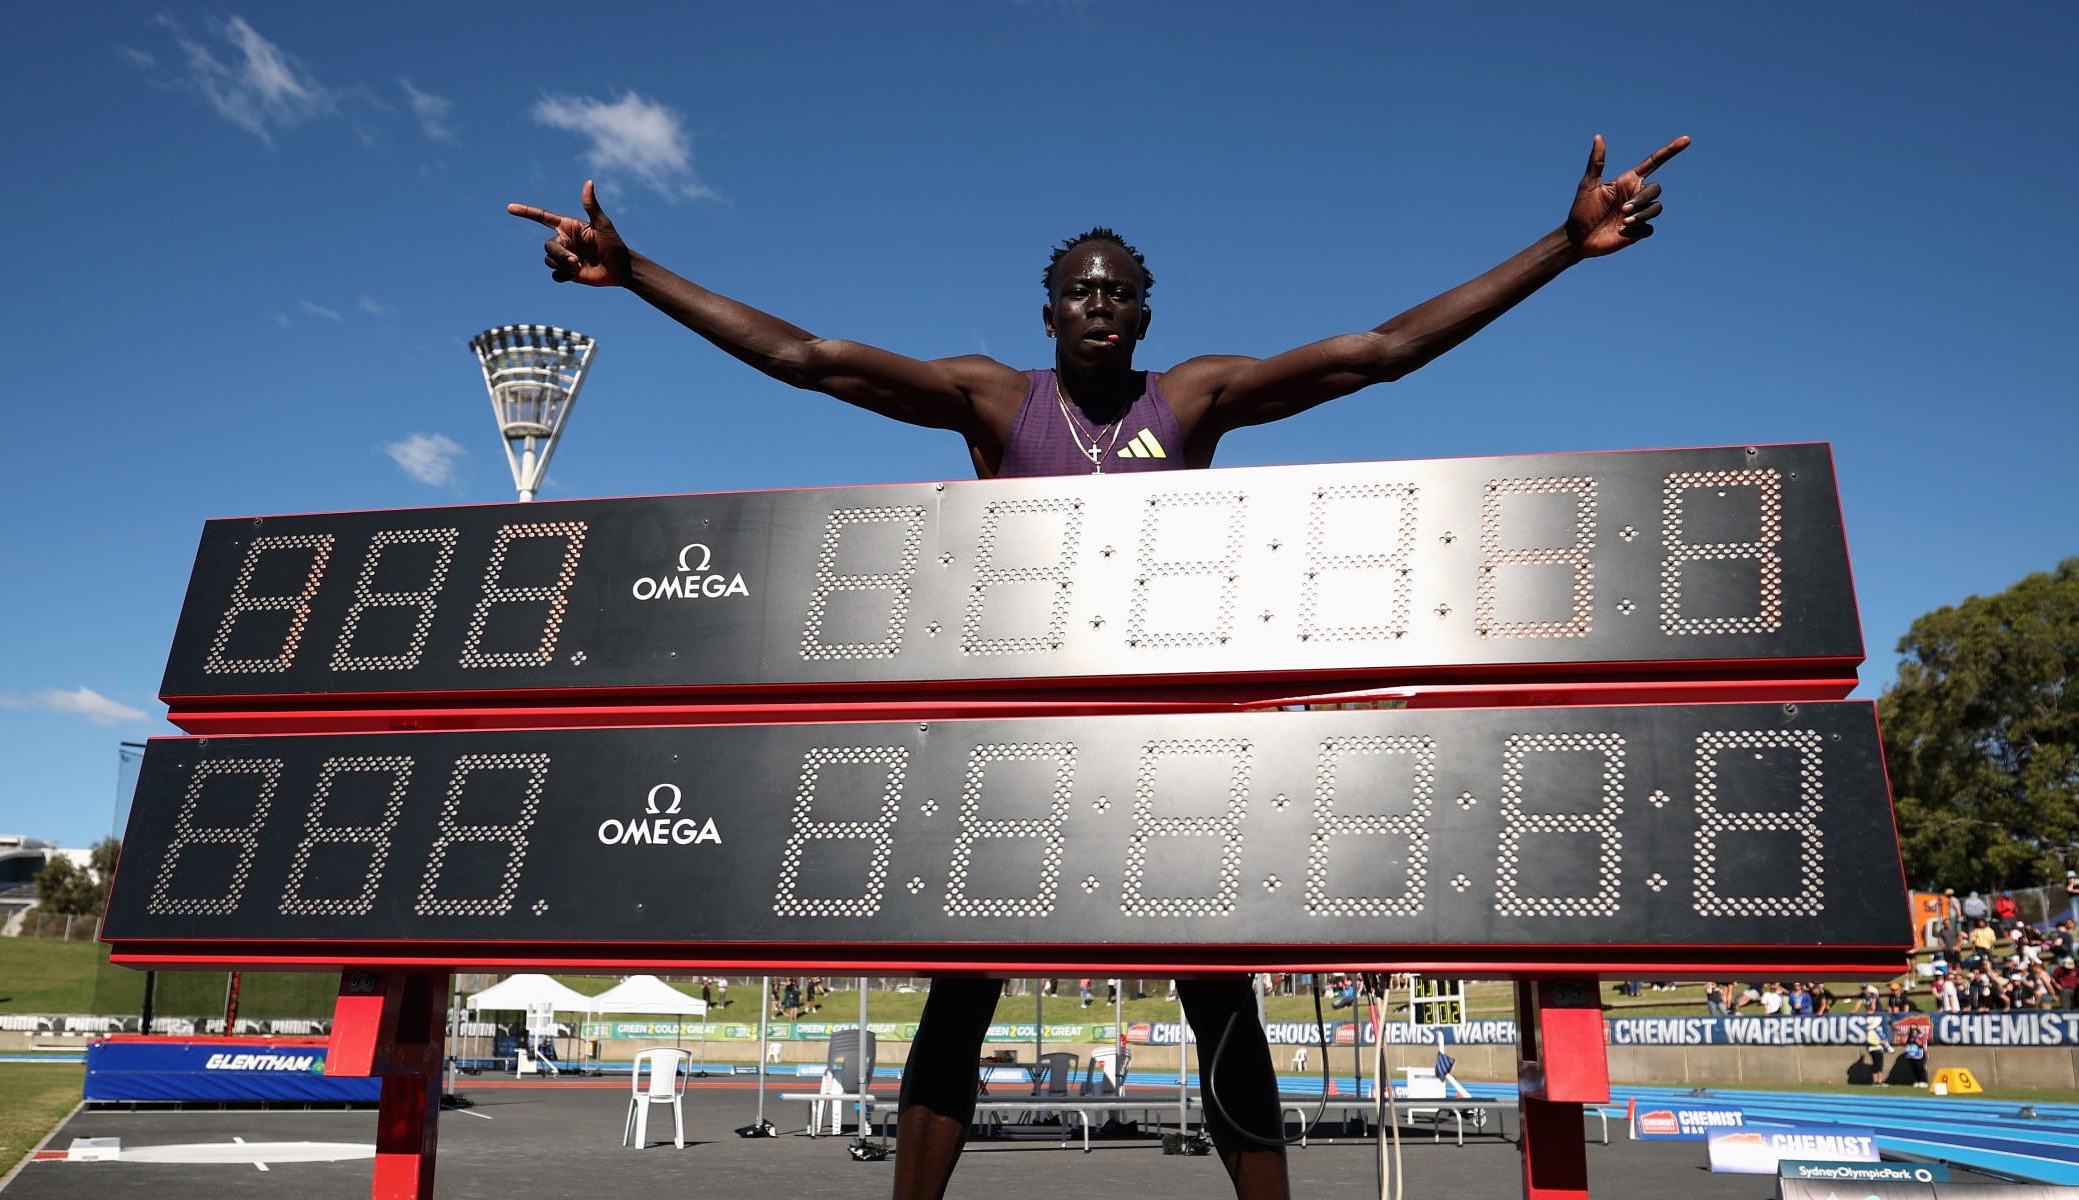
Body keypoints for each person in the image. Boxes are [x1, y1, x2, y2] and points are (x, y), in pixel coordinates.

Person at [513, 130, 1688, 1200]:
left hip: (1165, 761)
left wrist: (1561, 248)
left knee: (1220, 1002)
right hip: (1019, 755)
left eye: (1120, 291)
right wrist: (638, 271)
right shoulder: (993, 401)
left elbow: (1378, 353)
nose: (1100, 306)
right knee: (959, 1000)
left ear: (1146, 312)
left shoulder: (1191, 400)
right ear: (1046, 312)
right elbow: (813, 358)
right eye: (1081, 290)